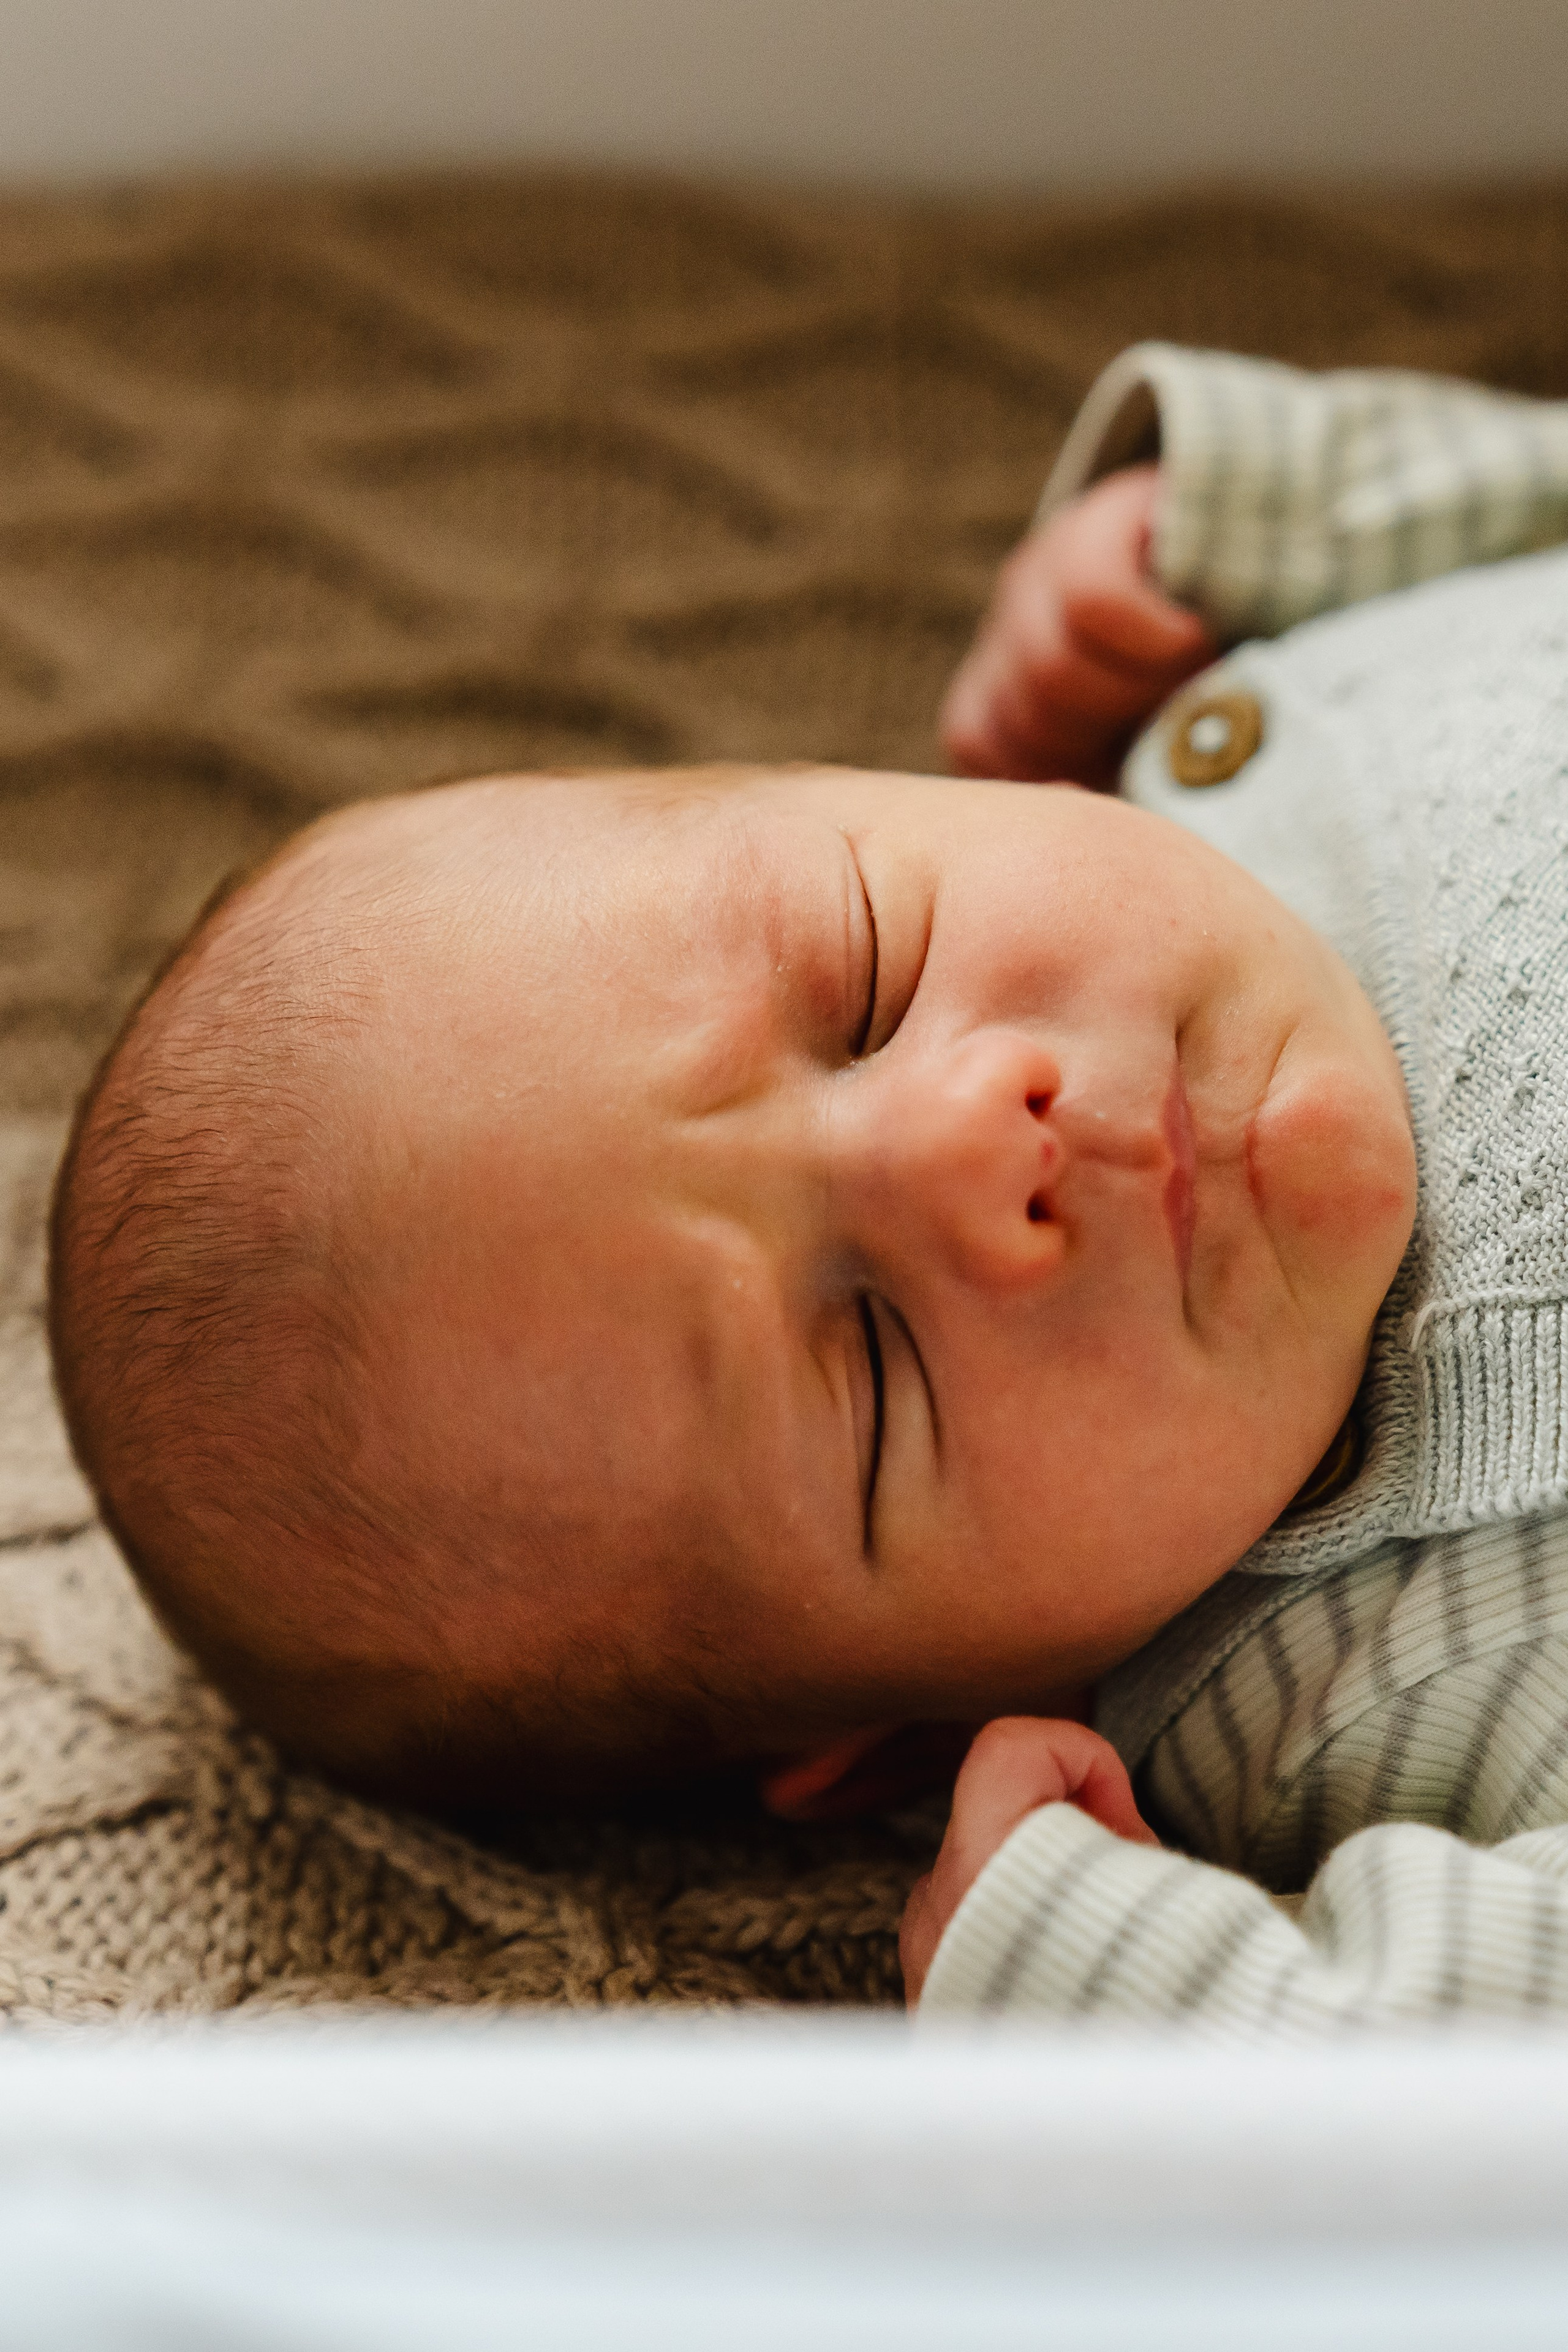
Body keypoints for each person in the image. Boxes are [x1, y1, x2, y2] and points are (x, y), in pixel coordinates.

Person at [45, 342, 1568, 2033]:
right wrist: (1111, 1992)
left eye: (867, 978)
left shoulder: (1255, 729)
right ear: (908, 1732)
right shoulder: (1329, 1703)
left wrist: (1212, 530)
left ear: (911, 795)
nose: (987, 1140)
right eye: (876, 1369)